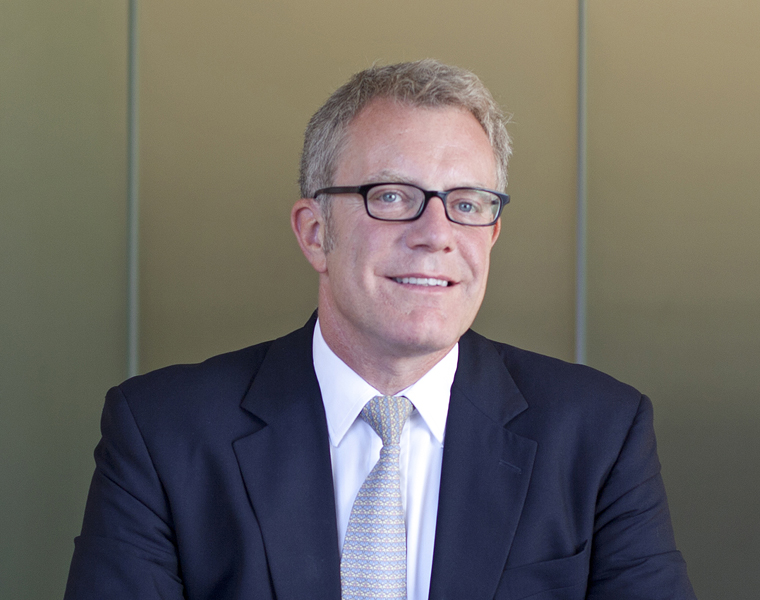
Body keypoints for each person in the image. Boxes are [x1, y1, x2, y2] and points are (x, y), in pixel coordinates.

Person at [65, 60, 695, 600]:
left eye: (467, 204)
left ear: (492, 235)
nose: (436, 234)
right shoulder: (163, 433)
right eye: (392, 196)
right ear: (316, 233)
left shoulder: (599, 435)